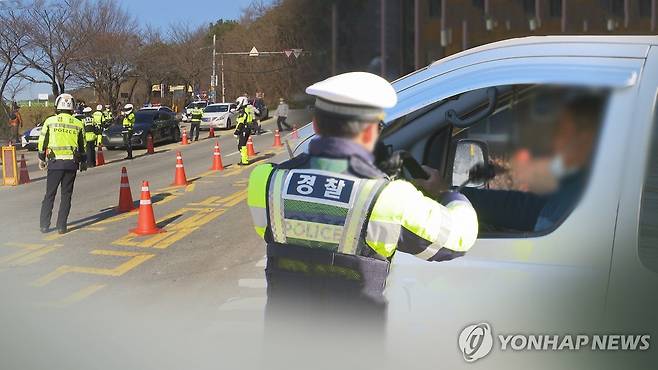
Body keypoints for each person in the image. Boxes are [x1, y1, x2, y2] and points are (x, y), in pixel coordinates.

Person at [247, 72, 479, 331]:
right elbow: (458, 239)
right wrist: (448, 192)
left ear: (315, 125)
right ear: (370, 132)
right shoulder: (389, 198)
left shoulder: (265, 180)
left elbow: (280, 229)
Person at [463, 96, 603, 232]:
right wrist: (460, 196)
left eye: (562, 132)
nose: (554, 142)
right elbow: (525, 208)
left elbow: (527, 210)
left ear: (585, 137)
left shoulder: (583, 193)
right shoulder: (576, 186)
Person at [38, 93, 87, 235]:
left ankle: (44, 225)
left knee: (50, 194)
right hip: (71, 164)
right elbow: (82, 145)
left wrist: (41, 158)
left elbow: (43, 142)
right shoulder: (78, 123)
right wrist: (83, 162)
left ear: (57, 106)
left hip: (55, 164)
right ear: (73, 107)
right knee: (66, 195)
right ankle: (61, 226)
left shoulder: (50, 121)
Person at [234, 99, 251, 166]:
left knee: (242, 145)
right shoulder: (248, 109)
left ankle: (245, 160)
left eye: (238, 103)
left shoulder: (243, 111)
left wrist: (237, 131)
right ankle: (243, 159)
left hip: (244, 129)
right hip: (247, 128)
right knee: (241, 145)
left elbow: (241, 122)